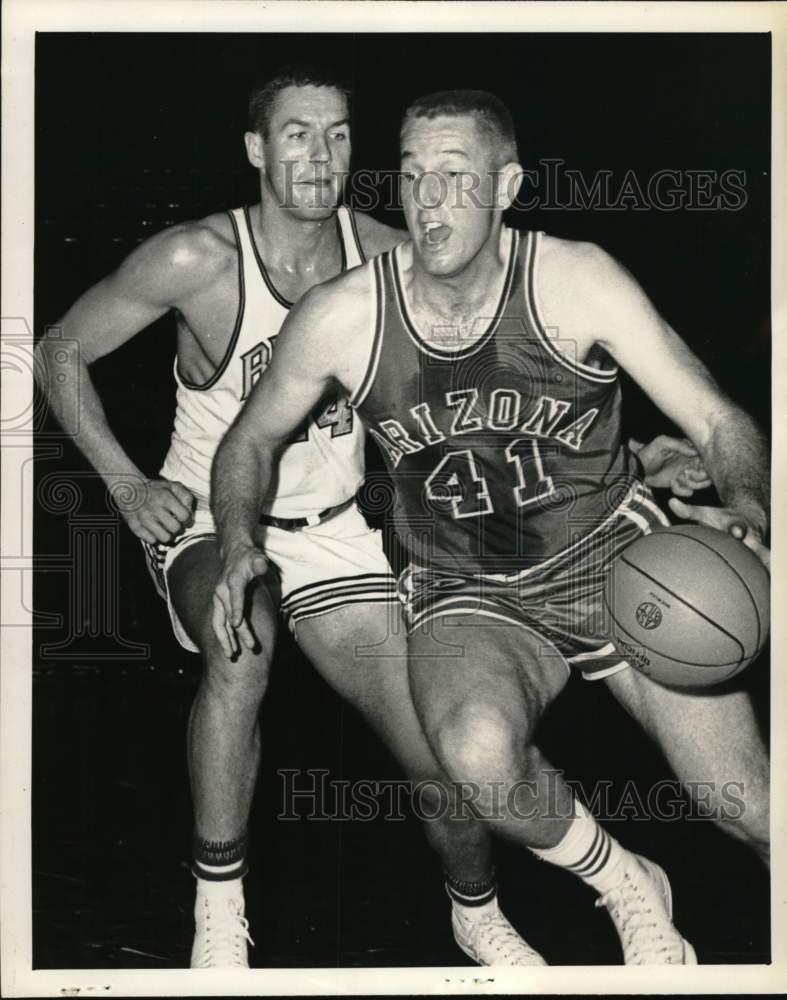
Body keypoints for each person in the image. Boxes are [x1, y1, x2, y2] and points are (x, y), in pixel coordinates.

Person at [38, 66, 709, 969]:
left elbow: (502, 389)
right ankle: (219, 925)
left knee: (439, 747)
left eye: (339, 133)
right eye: (296, 132)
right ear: (254, 150)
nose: (320, 153)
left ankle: (476, 914)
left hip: (338, 532)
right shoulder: (198, 258)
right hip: (209, 519)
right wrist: (124, 486)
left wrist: (633, 454)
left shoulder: (386, 254)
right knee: (245, 645)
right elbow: (57, 352)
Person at [211, 89, 770, 966]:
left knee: (751, 809)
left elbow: (715, 421)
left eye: (454, 176)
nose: (427, 199)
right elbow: (247, 441)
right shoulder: (345, 316)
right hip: (461, 584)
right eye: (411, 174)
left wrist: (746, 503)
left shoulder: (575, 279)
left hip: (613, 559)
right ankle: (624, 879)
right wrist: (239, 535)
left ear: (507, 185)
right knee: (471, 754)